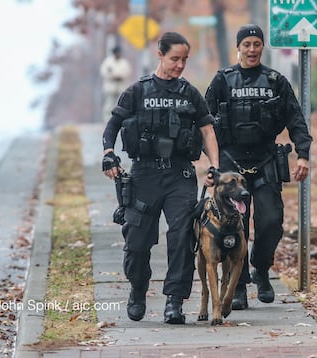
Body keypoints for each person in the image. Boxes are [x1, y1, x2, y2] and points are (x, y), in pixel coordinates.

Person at [101, 32, 219, 324]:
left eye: (184, 60)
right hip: (144, 176)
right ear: (160, 55)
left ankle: (174, 301)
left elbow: (206, 131)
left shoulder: (190, 93)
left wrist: (215, 165)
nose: (180, 65)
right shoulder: (137, 91)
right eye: (174, 59)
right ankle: (138, 288)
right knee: (137, 243)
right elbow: (113, 124)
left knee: (181, 236)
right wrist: (108, 154)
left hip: (180, 175)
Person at [204, 24, 313, 310]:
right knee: (233, 226)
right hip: (231, 163)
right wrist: (210, 164)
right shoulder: (222, 80)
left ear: (262, 46)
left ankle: (261, 268)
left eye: (256, 44)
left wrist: (303, 154)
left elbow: (296, 119)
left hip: (265, 160)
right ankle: (237, 287)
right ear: (238, 47)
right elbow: (204, 124)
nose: (252, 49)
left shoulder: (276, 80)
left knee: (270, 221)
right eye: (246, 44)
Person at [100, 44, 132, 118]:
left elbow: (127, 72)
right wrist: (113, 76)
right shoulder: (108, 62)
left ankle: (120, 119)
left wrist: (119, 76)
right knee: (109, 105)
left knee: (121, 104)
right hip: (110, 87)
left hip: (121, 87)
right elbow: (104, 72)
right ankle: (107, 120)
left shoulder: (124, 62)